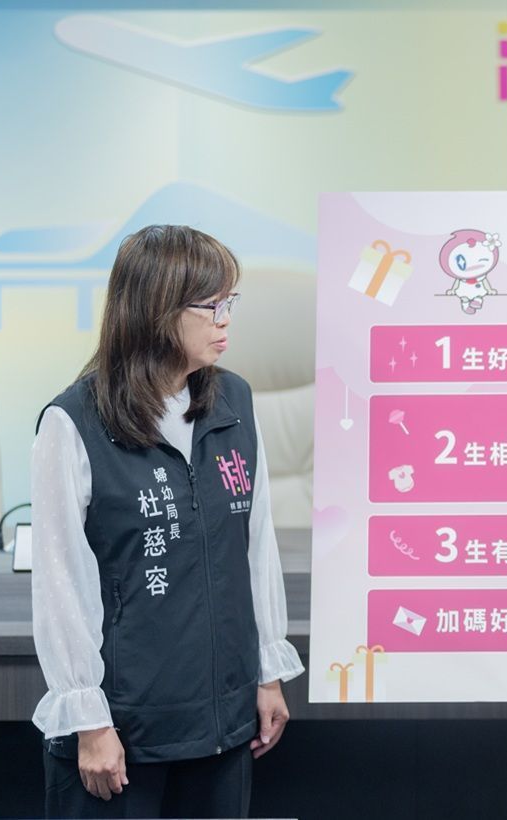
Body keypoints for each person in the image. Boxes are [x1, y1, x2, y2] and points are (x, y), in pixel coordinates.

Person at [30, 225, 305, 818]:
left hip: (224, 720)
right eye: (211, 306)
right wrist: (90, 721)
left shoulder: (235, 402)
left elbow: (254, 548)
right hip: (124, 730)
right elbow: (60, 583)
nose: (225, 321)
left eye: (230, 302)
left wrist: (267, 673)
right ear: (155, 311)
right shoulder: (73, 423)